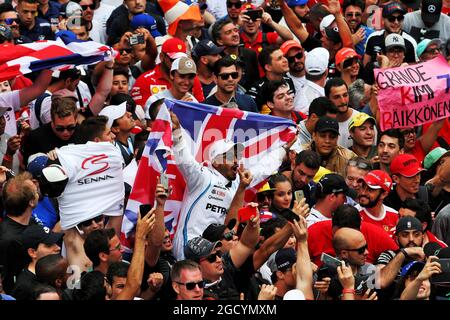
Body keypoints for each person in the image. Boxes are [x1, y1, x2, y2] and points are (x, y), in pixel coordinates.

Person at [170, 111, 292, 259]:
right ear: (215, 161)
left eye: (237, 156)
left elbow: (263, 168)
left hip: (215, 251)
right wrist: (176, 131)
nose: (235, 160)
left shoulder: (238, 183)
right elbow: (185, 160)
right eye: (229, 156)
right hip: (188, 247)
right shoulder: (202, 177)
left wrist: (283, 149)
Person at [308, 204, 398, 267]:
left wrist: (382, 266)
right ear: (333, 227)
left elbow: (399, 256)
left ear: (360, 228)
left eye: (362, 249)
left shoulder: (376, 234)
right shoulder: (314, 232)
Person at [0, 172, 40, 293]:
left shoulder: (32, 221)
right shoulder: (7, 240)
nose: (38, 192)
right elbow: (5, 280)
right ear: (31, 203)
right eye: (36, 192)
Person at [375, 216, 426, 295]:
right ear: (396, 239)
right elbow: (380, 282)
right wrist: (403, 253)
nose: (411, 239)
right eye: (405, 235)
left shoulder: (429, 255)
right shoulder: (389, 255)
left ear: (423, 237)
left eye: (416, 234)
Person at [22, 97, 79, 165]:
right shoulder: (36, 137)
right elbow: (26, 168)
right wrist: (45, 159)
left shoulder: (83, 132)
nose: (65, 132)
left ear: (76, 121)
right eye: (60, 128)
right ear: (52, 121)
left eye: (71, 127)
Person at [12, 224, 63, 300]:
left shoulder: (55, 271)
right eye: (49, 245)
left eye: (55, 242)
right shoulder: (25, 287)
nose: (58, 248)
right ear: (32, 252)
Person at [211, 18, 259, 91]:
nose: (235, 34)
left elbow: (255, 82)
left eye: (236, 30)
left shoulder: (250, 54)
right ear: (220, 41)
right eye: (228, 32)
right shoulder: (217, 59)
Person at [247, 44, 295, 114]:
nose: (285, 60)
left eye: (284, 56)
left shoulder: (288, 80)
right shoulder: (257, 90)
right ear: (268, 67)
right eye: (279, 58)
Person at [356, 170, 399, 237]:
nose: (363, 193)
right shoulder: (353, 214)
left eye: (370, 190)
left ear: (384, 194)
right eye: (363, 187)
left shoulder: (395, 216)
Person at [325, 77, 360, 149]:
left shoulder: (362, 120)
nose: (343, 101)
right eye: (337, 97)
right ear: (327, 99)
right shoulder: (323, 124)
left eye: (345, 95)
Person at [281, 40, 307, 114]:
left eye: (299, 56)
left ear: (304, 53)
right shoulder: (283, 82)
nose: (296, 60)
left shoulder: (316, 71)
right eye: (291, 59)